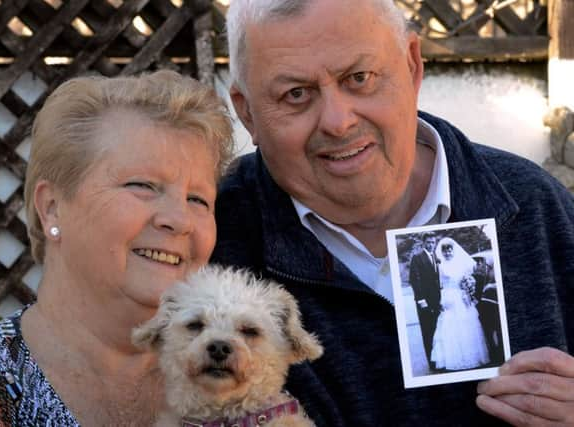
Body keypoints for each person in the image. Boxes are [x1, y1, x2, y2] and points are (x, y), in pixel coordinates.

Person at [211, 0, 574, 425]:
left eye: (359, 78)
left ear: (412, 65)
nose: (338, 121)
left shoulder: (532, 204)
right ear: (247, 111)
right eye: (296, 94)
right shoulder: (210, 236)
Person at [0, 70, 233, 425]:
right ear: (52, 206)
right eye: (142, 185)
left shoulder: (238, 389)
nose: (180, 219)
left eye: (198, 199)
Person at [430, 238, 490, 371]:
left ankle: (472, 357)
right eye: (445, 251)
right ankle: (453, 358)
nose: (447, 253)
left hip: (461, 297)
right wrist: (442, 299)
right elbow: (440, 285)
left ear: (453, 251)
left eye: (449, 250)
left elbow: (468, 277)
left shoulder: (461, 264)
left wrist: (468, 285)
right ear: (442, 253)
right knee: (449, 325)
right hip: (448, 296)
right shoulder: (440, 266)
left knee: (467, 323)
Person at [408, 232, 441, 370]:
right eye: (428, 242)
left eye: (433, 242)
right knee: (428, 331)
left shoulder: (436, 257)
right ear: (423, 243)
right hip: (425, 302)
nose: (431, 245)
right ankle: (432, 364)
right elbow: (415, 280)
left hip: (438, 300)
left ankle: (439, 360)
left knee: (439, 331)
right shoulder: (417, 258)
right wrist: (422, 301)